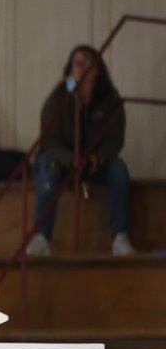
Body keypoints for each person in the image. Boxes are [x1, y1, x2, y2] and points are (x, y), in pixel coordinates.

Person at [26, 44, 132, 257]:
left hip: (94, 162)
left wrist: (98, 157)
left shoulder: (110, 100)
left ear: (96, 70)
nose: (81, 69)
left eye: (86, 64)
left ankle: (120, 237)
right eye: (77, 64)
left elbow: (115, 140)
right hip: (62, 160)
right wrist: (69, 158)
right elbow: (49, 140)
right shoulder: (59, 97)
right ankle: (41, 237)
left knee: (119, 170)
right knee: (47, 166)